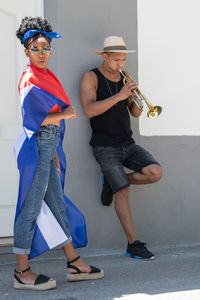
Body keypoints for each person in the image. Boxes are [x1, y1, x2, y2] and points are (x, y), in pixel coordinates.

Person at [13, 16, 103, 291]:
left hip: (46, 149)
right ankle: (21, 272)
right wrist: (64, 114)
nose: (42, 54)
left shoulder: (46, 75)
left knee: (57, 204)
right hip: (36, 148)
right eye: (36, 48)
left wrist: (53, 152)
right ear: (26, 51)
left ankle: (73, 261)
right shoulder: (30, 78)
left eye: (46, 48)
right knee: (29, 207)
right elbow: (33, 121)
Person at [80, 36, 163, 260]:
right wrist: (120, 95)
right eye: (116, 59)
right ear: (104, 56)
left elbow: (135, 113)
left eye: (123, 60)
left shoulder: (126, 78)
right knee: (123, 191)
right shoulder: (91, 77)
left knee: (155, 172)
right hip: (104, 146)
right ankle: (133, 244)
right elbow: (89, 110)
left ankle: (111, 180)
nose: (120, 64)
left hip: (127, 143)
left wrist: (136, 99)